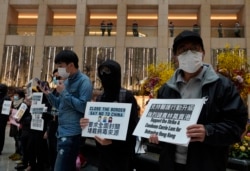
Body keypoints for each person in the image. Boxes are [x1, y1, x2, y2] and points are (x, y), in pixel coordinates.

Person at [148, 30, 248, 171]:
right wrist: (155, 134)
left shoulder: (222, 86)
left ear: (203, 53)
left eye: (194, 48)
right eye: (183, 50)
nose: (189, 53)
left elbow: (237, 126)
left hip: (207, 164)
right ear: (175, 57)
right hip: (170, 164)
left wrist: (208, 132)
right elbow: (159, 126)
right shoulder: (166, 89)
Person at [80, 59, 139, 171]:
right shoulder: (100, 98)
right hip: (103, 155)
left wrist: (114, 142)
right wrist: (86, 124)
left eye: (108, 72)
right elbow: (96, 123)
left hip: (122, 156)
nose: (104, 76)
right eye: (102, 73)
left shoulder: (127, 97)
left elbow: (133, 128)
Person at [39, 49, 93, 171]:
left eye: (61, 66)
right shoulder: (66, 81)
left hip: (73, 133)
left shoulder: (84, 82)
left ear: (71, 65)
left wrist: (64, 93)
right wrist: (48, 94)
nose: (59, 70)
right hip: (61, 131)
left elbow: (84, 107)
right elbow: (59, 105)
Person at [0, 84, 11, 155]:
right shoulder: (6, 97)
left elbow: (6, 110)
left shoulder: (6, 98)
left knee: (1, 134)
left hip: (2, 119)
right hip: (2, 119)